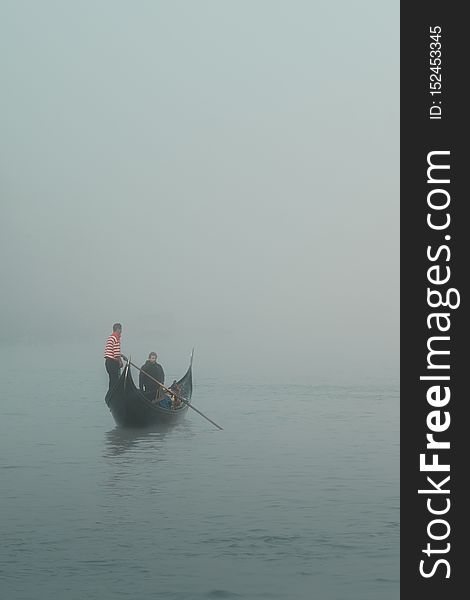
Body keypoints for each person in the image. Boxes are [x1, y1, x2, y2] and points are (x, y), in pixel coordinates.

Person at [104, 323, 124, 391]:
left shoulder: (111, 337)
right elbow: (116, 353)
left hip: (108, 362)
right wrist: (120, 362)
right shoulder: (116, 337)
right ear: (118, 329)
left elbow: (112, 350)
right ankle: (115, 394)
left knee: (112, 380)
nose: (121, 331)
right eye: (121, 329)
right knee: (115, 380)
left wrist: (121, 355)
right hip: (113, 363)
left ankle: (111, 392)